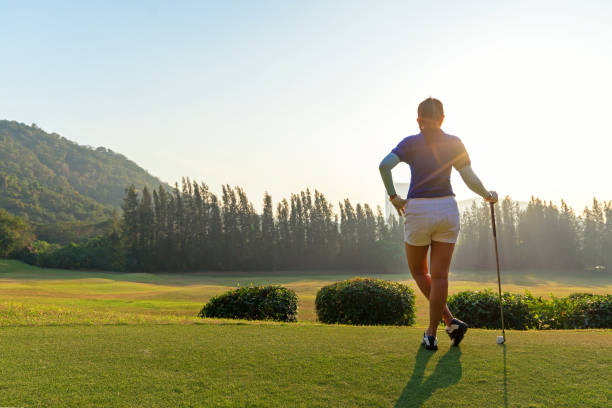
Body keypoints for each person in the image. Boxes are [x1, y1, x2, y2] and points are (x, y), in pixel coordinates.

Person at [378, 97, 497, 351]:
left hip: (418, 209)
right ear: (443, 119)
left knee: (420, 272)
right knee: (440, 275)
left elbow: (384, 165)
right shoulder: (454, 142)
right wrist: (486, 194)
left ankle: (434, 331)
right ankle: (446, 325)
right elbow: (468, 176)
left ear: (418, 120)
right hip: (447, 209)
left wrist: (393, 197)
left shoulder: (410, 142)